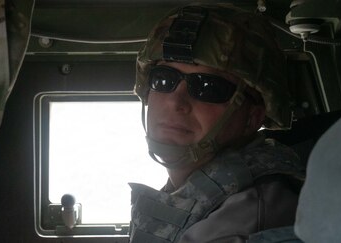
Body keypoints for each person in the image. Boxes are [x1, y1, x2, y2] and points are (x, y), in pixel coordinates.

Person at [128, 4, 305, 243]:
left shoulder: (254, 214)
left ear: (253, 117)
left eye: (207, 87)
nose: (175, 102)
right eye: (163, 80)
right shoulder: (204, 191)